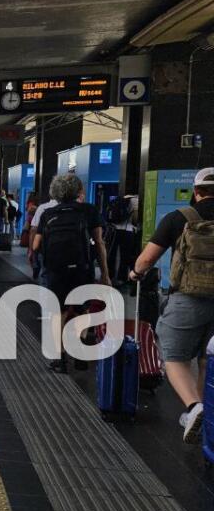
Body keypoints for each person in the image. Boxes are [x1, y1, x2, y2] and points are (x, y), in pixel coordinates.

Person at [128, 168, 214, 443]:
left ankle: (194, 406)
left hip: (188, 297)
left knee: (173, 355)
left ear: (196, 191)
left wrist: (135, 274)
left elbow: (146, 260)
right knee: (206, 358)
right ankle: (204, 416)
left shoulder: (180, 218)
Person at [33, 173, 110, 374]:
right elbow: (100, 244)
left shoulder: (48, 214)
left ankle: (59, 359)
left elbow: (36, 244)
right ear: (78, 190)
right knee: (82, 309)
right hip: (82, 268)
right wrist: (105, 274)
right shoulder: (88, 211)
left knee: (59, 312)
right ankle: (80, 352)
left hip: (55, 271)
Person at [105, 194, 137, 286]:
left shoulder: (119, 199)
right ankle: (121, 278)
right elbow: (135, 219)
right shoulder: (136, 200)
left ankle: (110, 276)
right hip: (127, 231)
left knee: (111, 254)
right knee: (125, 256)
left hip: (114, 230)